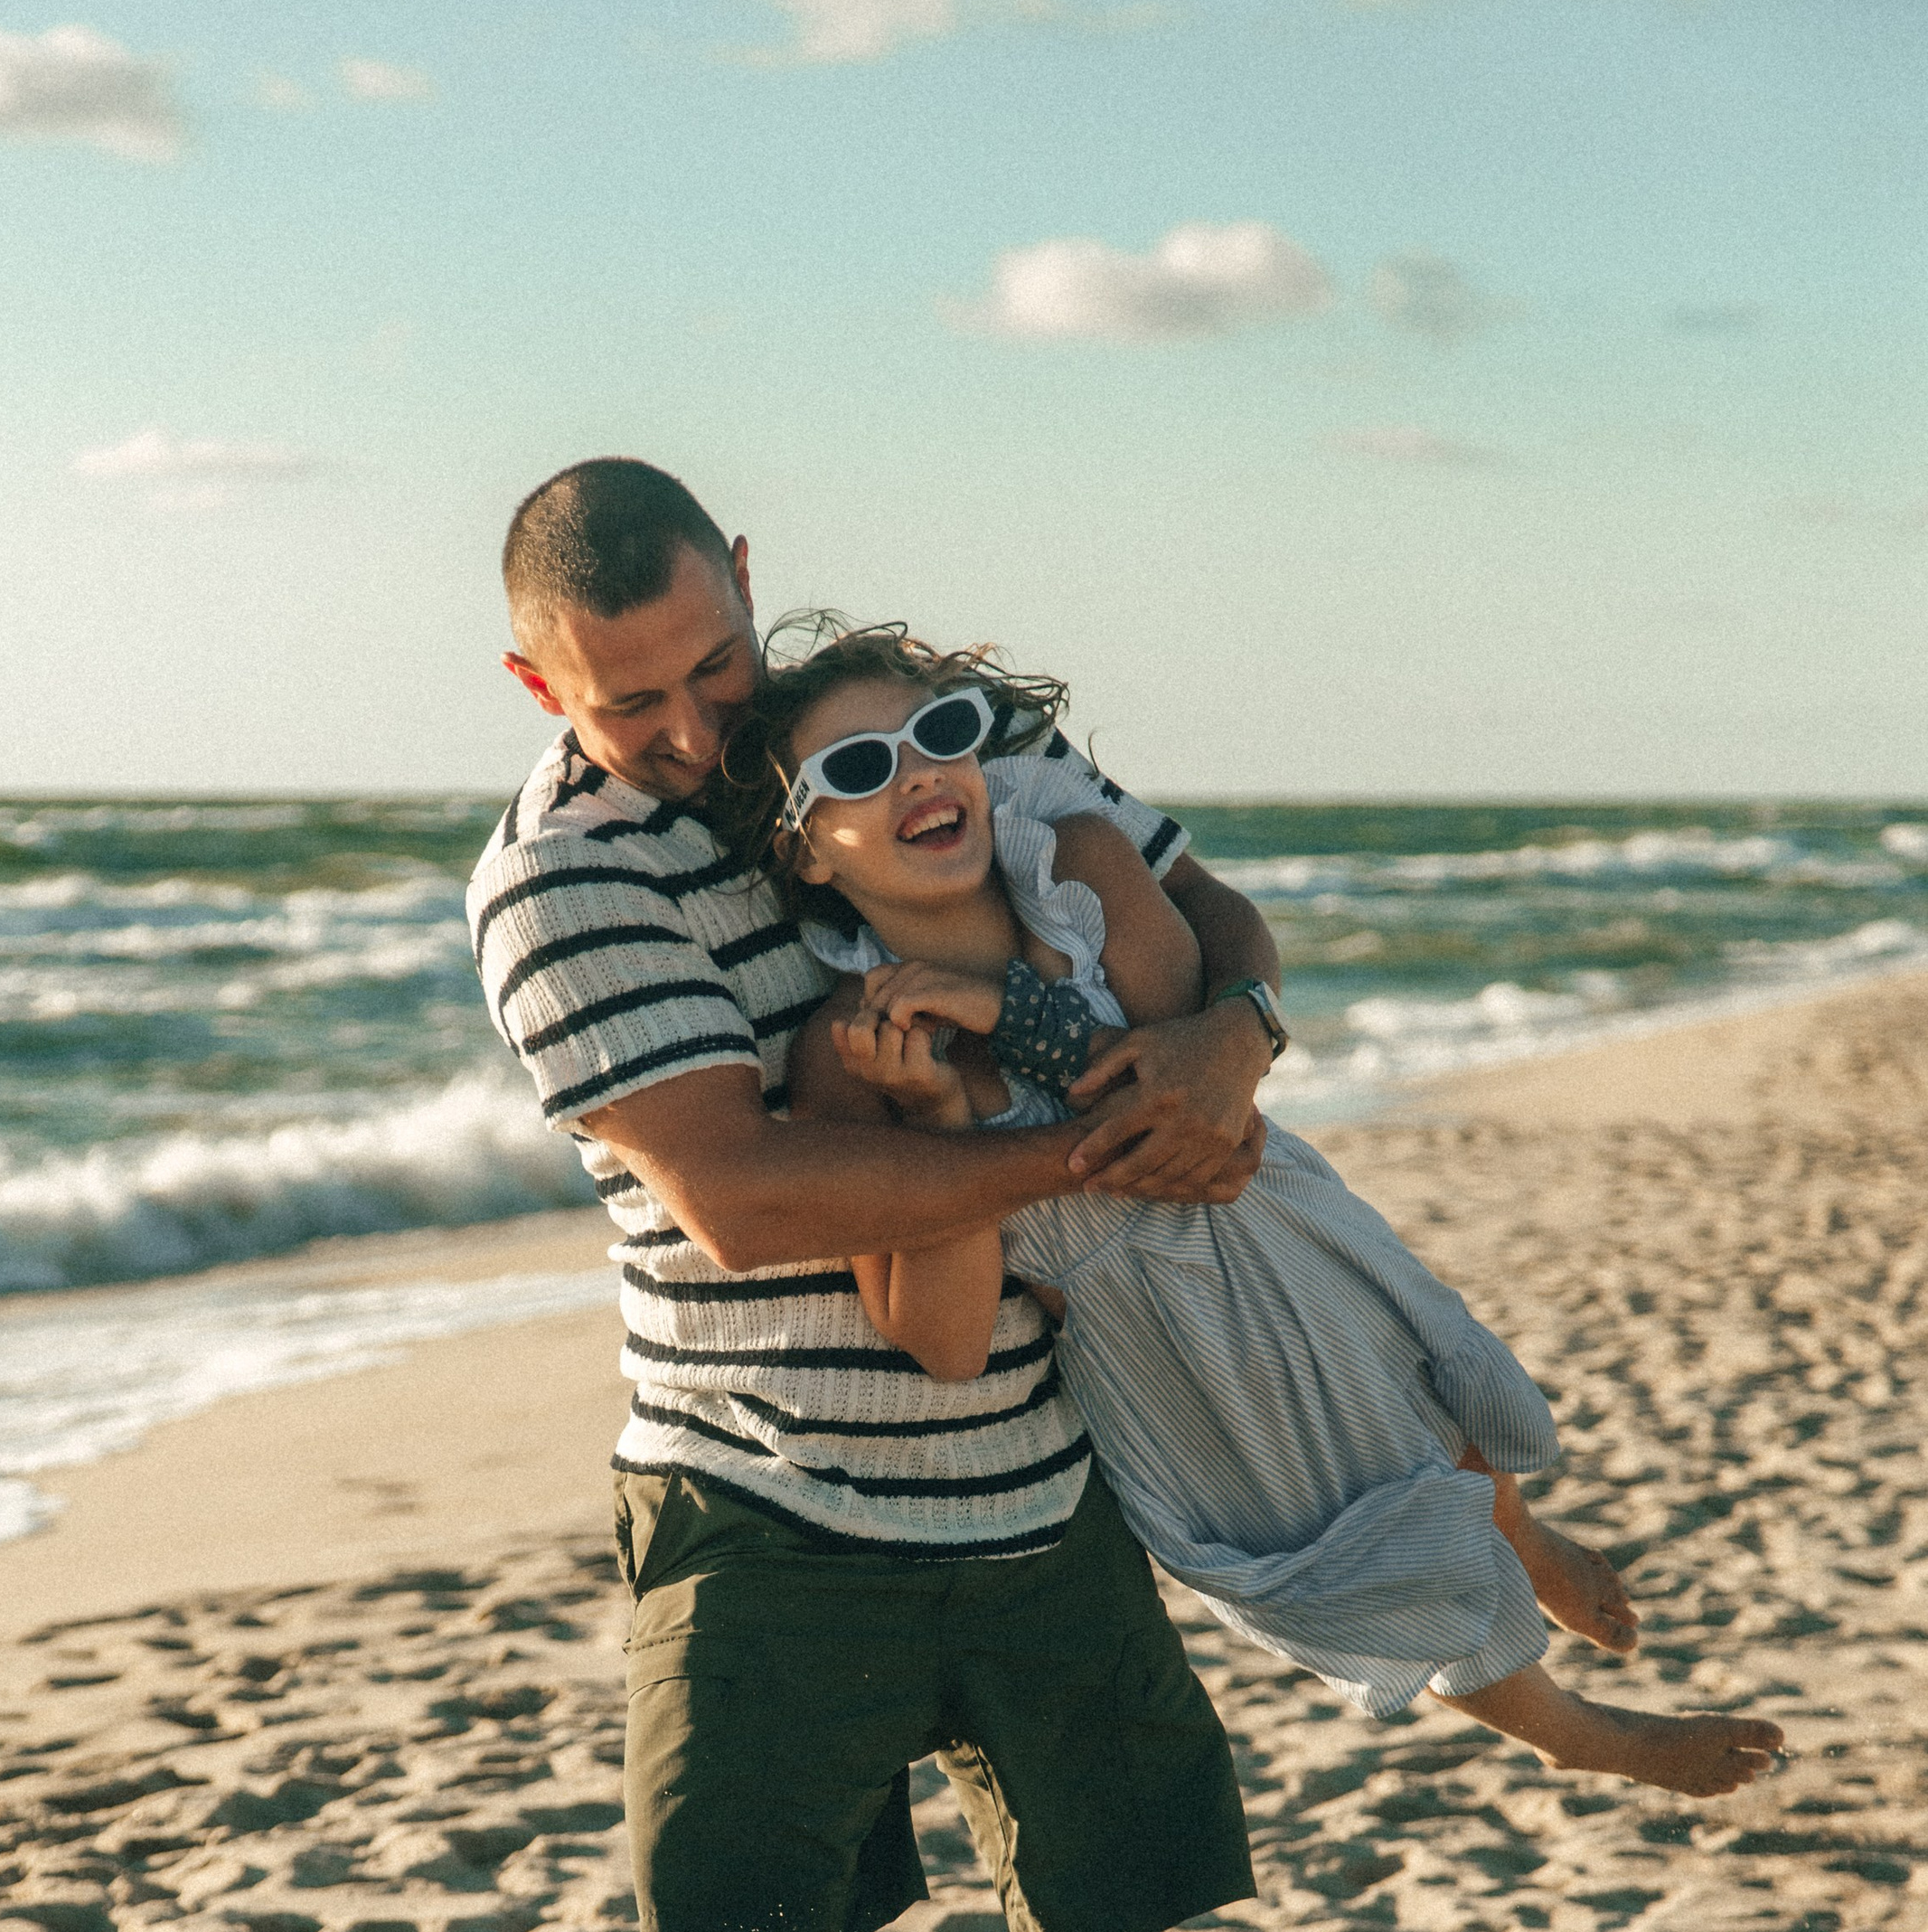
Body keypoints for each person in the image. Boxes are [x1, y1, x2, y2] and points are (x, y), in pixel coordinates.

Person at [467, 457, 1277, 1932]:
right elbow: (741, 1197)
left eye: (710, 667)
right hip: (764, 1500)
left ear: (747, 584)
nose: (689, 730)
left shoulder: (901, 740)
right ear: (538, 682)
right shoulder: (566, 889)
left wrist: (1234, 1040)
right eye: (628, 700)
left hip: (1033, 1477)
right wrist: (1102, 1143)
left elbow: (1188, 902)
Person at [748, 618, 1782, 1797]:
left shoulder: (1080, 867)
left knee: (1419, 1393)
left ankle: (1526, 1537)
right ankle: (1581, 1731)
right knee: (1348, 1534)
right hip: (1161, 1340)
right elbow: (942, 1341)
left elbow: (1187, 1107)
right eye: (860, 767)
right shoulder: (846, 1058)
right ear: (806, 853)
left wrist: (1003, 1010)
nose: (919, 774)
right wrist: (936, 1118)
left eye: (941, 734)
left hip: (1264, 1212)